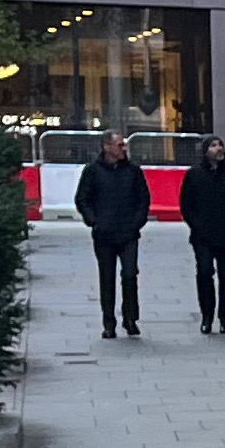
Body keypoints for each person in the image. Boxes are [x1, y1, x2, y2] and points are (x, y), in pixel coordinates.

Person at [72, 130, 153, 337]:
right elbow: (82, 199)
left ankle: (130, 318)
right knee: (106, 278)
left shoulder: (133, 171)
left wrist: (137, 222)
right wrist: (94, 221)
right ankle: (109, 322)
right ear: (107, 147)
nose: (124, 148)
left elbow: (143, 198)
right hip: (104, 234)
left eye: (124, 145)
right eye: (119, 145)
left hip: (128, 233)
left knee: (130, 274)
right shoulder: (92, 171)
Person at [179, 134, 225, 333]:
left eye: (220, 144)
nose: (218, 148)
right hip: (202, 236)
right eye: (213, 145)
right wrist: (196, 225)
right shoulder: (194, 175)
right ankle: (207, 315)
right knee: (204, 273)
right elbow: (186, 205)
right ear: (205, 151)